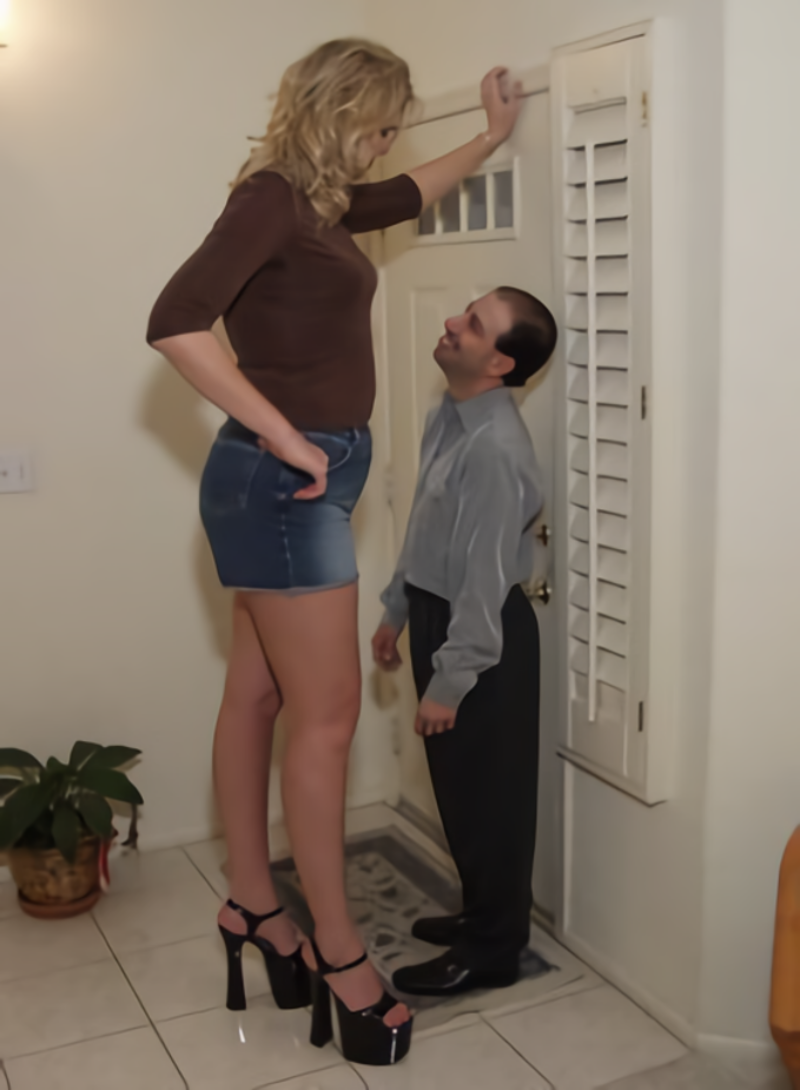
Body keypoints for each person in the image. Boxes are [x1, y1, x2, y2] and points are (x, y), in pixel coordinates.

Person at [146, 38, 522, 1065]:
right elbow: (175, 322)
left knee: (259, 696)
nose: (387, 141)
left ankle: (253, 904)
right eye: (381, 122)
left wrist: (490, 137)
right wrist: (283, 435)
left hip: (293, 479)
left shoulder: (317, 200)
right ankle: (341, 956)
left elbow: (406, 192)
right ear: (343, 109)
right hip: (284, 483)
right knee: (326, 719)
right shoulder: (271, 197)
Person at [372, 286, 557, 997]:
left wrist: (450, 682)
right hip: (437, 614)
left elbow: (482, 578)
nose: (452, 323)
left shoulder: (495, 449)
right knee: (460, 791)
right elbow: (426, 530)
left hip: (481, 638)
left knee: (490, 802)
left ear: (500, 362)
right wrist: (396, 610)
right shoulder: (448, 418)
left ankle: (494, 948)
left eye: (472, 324)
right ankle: (483, 914)